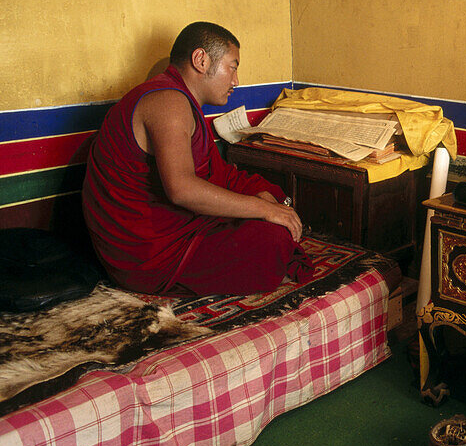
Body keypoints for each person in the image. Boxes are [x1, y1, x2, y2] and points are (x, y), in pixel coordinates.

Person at [83, 22, 309, 296]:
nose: (236, 80)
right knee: (271, 239)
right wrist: (264, 210)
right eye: (233, 66)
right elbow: (181, 190)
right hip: (149, 255)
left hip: (177, 228)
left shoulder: (177, 98)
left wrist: (261, 197)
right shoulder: (169, 102)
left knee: (269, 194)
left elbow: (217, 173)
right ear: (201, 60)